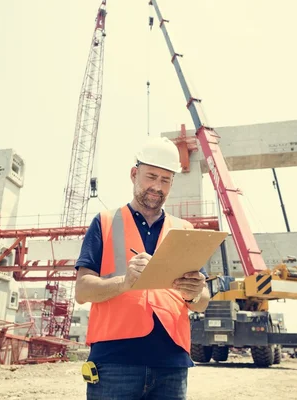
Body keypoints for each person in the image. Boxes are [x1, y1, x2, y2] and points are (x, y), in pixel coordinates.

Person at [74, 136, 211, 400]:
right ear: (134, 174)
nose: (157, 186)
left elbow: (202, 302)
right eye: (151, 176)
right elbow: (82, 290)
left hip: (172, 364)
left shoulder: (184, 230)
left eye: (165, 180)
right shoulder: (105, 222)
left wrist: (195, 292)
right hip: (115, 363)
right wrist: (125, 282)